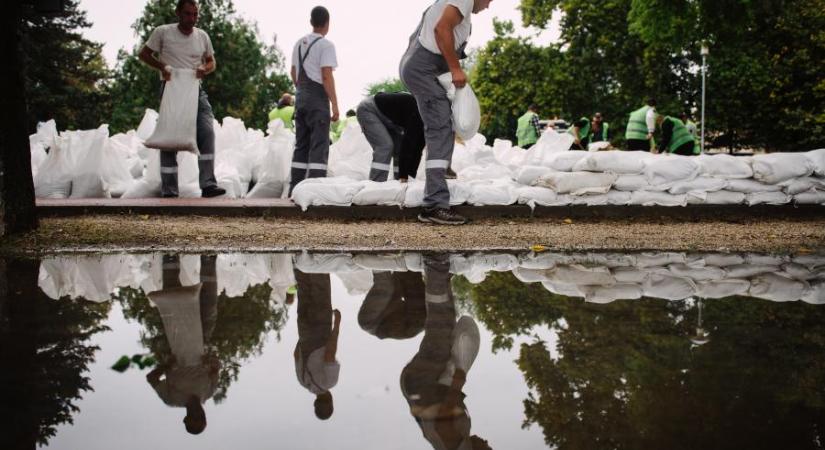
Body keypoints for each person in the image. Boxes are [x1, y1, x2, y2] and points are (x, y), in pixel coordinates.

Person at [400, 0, 494, 225]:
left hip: (422, 66)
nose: (489, 5)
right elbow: (441, 29)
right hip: (424, 69)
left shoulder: (457, 7)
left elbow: (420, 35)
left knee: (443, 125)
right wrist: (455, 69)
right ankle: (434, 204)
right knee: (440, 127)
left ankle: (440, 179)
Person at [399, 254, 490, 450]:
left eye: (488, 449)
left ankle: (435, 266)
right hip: (421, 386)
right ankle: (438, 275)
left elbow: (442, 425)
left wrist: (457, 384)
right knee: (444, 324)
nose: (488, 444)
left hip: (422, 386)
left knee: (440, 328)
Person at [138, 0, 225, 198]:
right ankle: (169, 190)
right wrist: (162, 67)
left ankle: (209, 184)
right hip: (171, 89)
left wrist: (204, 69)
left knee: (207, 132)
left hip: (196, 90)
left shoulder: (202, 36)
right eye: (187, 14)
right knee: (170, 137)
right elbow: (143, 54)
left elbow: (211, 61)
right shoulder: (163, 32)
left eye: (195, 15)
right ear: (178, 13)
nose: (191, 19)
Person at [146, 254, 220, 435]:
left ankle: (170, 256)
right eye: (201, 418)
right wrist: (212, 361)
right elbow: (216, 368)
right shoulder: (209, 392)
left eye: (194, 419)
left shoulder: (171, 399)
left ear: (186, 419)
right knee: (208, 301)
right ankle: (208, 258)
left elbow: (151, 378)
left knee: (173, 295)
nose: (198, 415)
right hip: (202, 340)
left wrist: (166, 366)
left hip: (177, 342)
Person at [289, 6, 340, 195]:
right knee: (319, 145)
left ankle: (295, 189)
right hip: (317, 101)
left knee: (301, 145)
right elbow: (326, 76)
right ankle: (313, 193)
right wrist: (334, 104)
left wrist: (301, 90)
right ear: (327, 23)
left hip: (300, 97)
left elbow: (293, 73)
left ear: (311, 22)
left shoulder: (298, 43)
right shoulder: (326, 45)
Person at [293, 268, 341, 420]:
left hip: (319, 330)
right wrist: (304, 335)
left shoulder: (329, 382)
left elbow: (329, 354)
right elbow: (295, 354)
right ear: (315, 403)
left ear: (331, 401)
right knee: (304, 289)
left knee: (320, 287)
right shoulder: (302, 381)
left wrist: (337, 324)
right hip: (304, 330)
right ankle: (299, 257)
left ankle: (317, 253)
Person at [357, 92, 426, 182]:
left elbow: (417, 150)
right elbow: (408, 144)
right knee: (385, 146)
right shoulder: (418, 113)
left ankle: (398, 182)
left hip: (389, 118)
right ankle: (376, 184)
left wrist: (410, 177)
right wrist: (404, 176)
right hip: (369, 109)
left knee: (399, 147)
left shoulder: (425, 123)